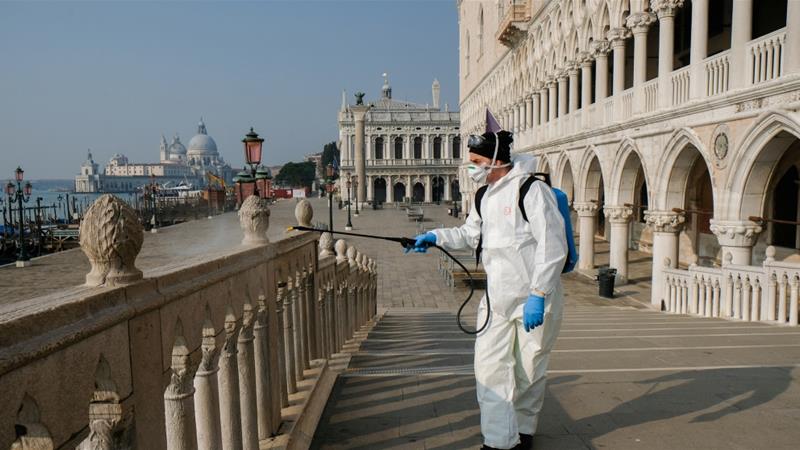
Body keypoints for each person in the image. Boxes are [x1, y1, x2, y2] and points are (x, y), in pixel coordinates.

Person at [409, 130, 568, 450]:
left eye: (476, 162)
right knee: (489, 370)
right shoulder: (484, 195)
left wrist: (538, 294)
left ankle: (523, 431)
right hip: (496, 299)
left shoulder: (532, 190)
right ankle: (498, 441)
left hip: (534, 300)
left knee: (528, 371)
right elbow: (470, 234)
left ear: (496, 160)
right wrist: (435, 237)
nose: (472, 169)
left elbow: (553, 246)